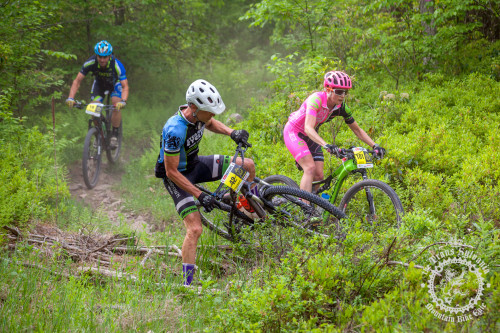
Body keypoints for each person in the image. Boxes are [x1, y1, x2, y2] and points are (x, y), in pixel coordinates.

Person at [154, 79, 254, 286]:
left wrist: (232, 133)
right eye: (209, 111)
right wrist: (200, 195)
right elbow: (171, 171)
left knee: (248, 165)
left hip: (196, 165)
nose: (213, 115)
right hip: (177, 177)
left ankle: (243, 208)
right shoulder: (174, 130)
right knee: (195, 230)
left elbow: (209, 123)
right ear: (193, 107)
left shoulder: (199, 115)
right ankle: (187, 284)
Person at [283, 71, 386, 193]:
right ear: (328, 89)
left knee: (319, 176)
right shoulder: (316, 100)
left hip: (311, 136)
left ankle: (313, 206)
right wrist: (326, 145)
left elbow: (357, 130)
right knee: (310, 168)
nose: (342, 95)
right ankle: (304, 208)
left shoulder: (340, 107)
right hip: (294, 132)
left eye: (345, 92)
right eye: (339, 91)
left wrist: (375, 145)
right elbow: (308, 128)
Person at [65, 40, 129, 147]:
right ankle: (98, 134)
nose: (102, 60)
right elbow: (77, 81)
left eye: (105, 57)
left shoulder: (117, 65)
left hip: (115, 85)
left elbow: (125, 86)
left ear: (109, 56)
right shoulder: (90, 62)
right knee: (93, 108)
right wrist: (71, 98)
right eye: (100, 57)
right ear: (96, 55)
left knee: (115, 103)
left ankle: (114, 134)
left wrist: (123, 101)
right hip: (100, 85)